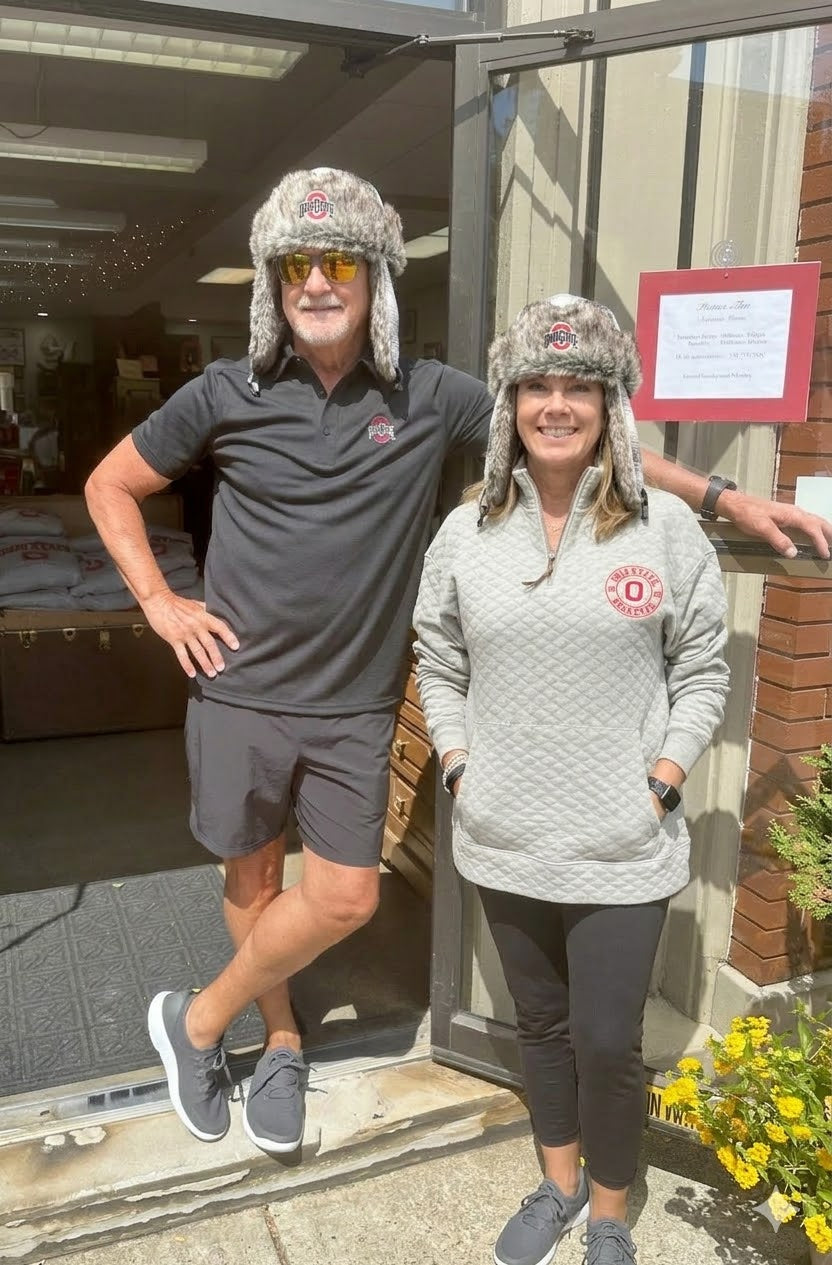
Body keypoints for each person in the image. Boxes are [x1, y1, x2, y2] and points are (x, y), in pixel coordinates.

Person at [84, 166, 829, 1159]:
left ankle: (195, 1019)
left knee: (344, 895)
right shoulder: (227, 389)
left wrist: (721, 497)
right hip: (240, 691)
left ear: (375, 276)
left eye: (338, 261)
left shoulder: (430, 396)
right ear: (273, 282)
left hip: (356, 704)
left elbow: (586, 446)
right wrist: (159, 601)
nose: (317, 282)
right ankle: (282, 1038)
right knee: (253, 877)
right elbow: (109, 485)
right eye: (296, 265)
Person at [412, 294, 731, 1265]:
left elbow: (703, 667)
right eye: (536, 386)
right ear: (509, 405)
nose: (556, 404)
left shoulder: (663, 528)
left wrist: (662, 781)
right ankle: (558, 1185)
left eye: (578, 387)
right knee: (541, 1027)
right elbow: (438, 658)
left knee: (606, 1039)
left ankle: (608, 1212)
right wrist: (459, 765)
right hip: (504, 834)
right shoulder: (467, 531)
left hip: (622, 843)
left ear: (608, 405)